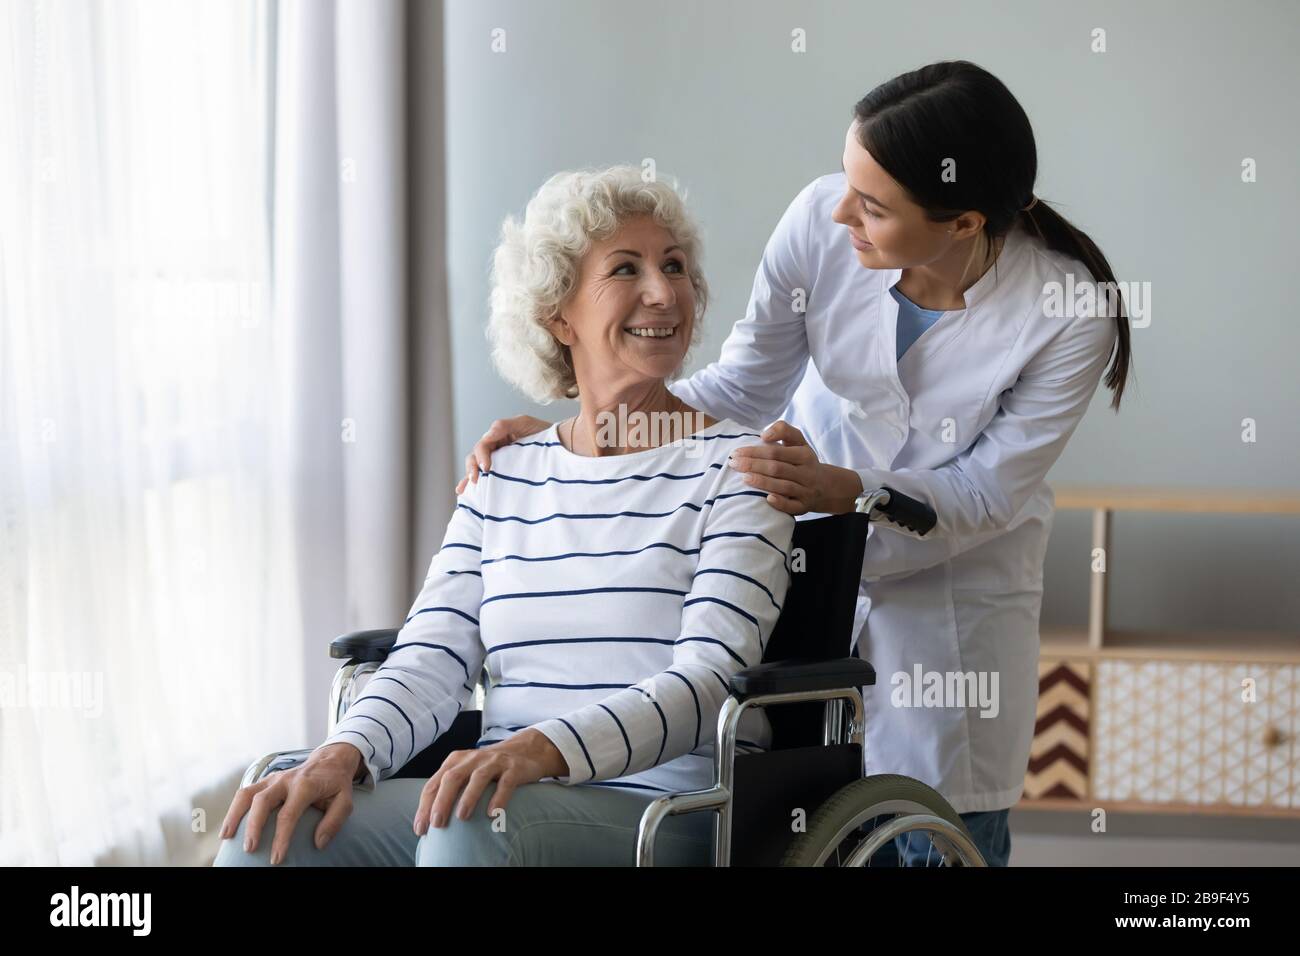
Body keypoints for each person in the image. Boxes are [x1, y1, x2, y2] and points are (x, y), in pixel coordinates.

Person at [455, 61, 1133, 867]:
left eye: (873, 207)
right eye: (848, 181)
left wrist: (848, 491)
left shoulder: (1066, 313)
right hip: (797, 573)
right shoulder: (820, 221)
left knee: (930, 829)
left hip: (948, 620)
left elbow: (985, 495)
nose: (840, 207)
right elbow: (743, 386)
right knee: (798, 816)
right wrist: (595, 429)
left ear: (961, 223)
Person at [214, 166, 794, 867]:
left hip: (670, 807)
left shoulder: (741, 467)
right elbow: (431, 656)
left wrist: (544, 749)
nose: (663, 291)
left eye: (674, 266)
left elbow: (710, 679)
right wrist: (345, 751)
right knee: (277, 826)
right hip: (504, 794)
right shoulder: (507, 471)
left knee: (469, 822)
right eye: (626, 269)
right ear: (558, 314)